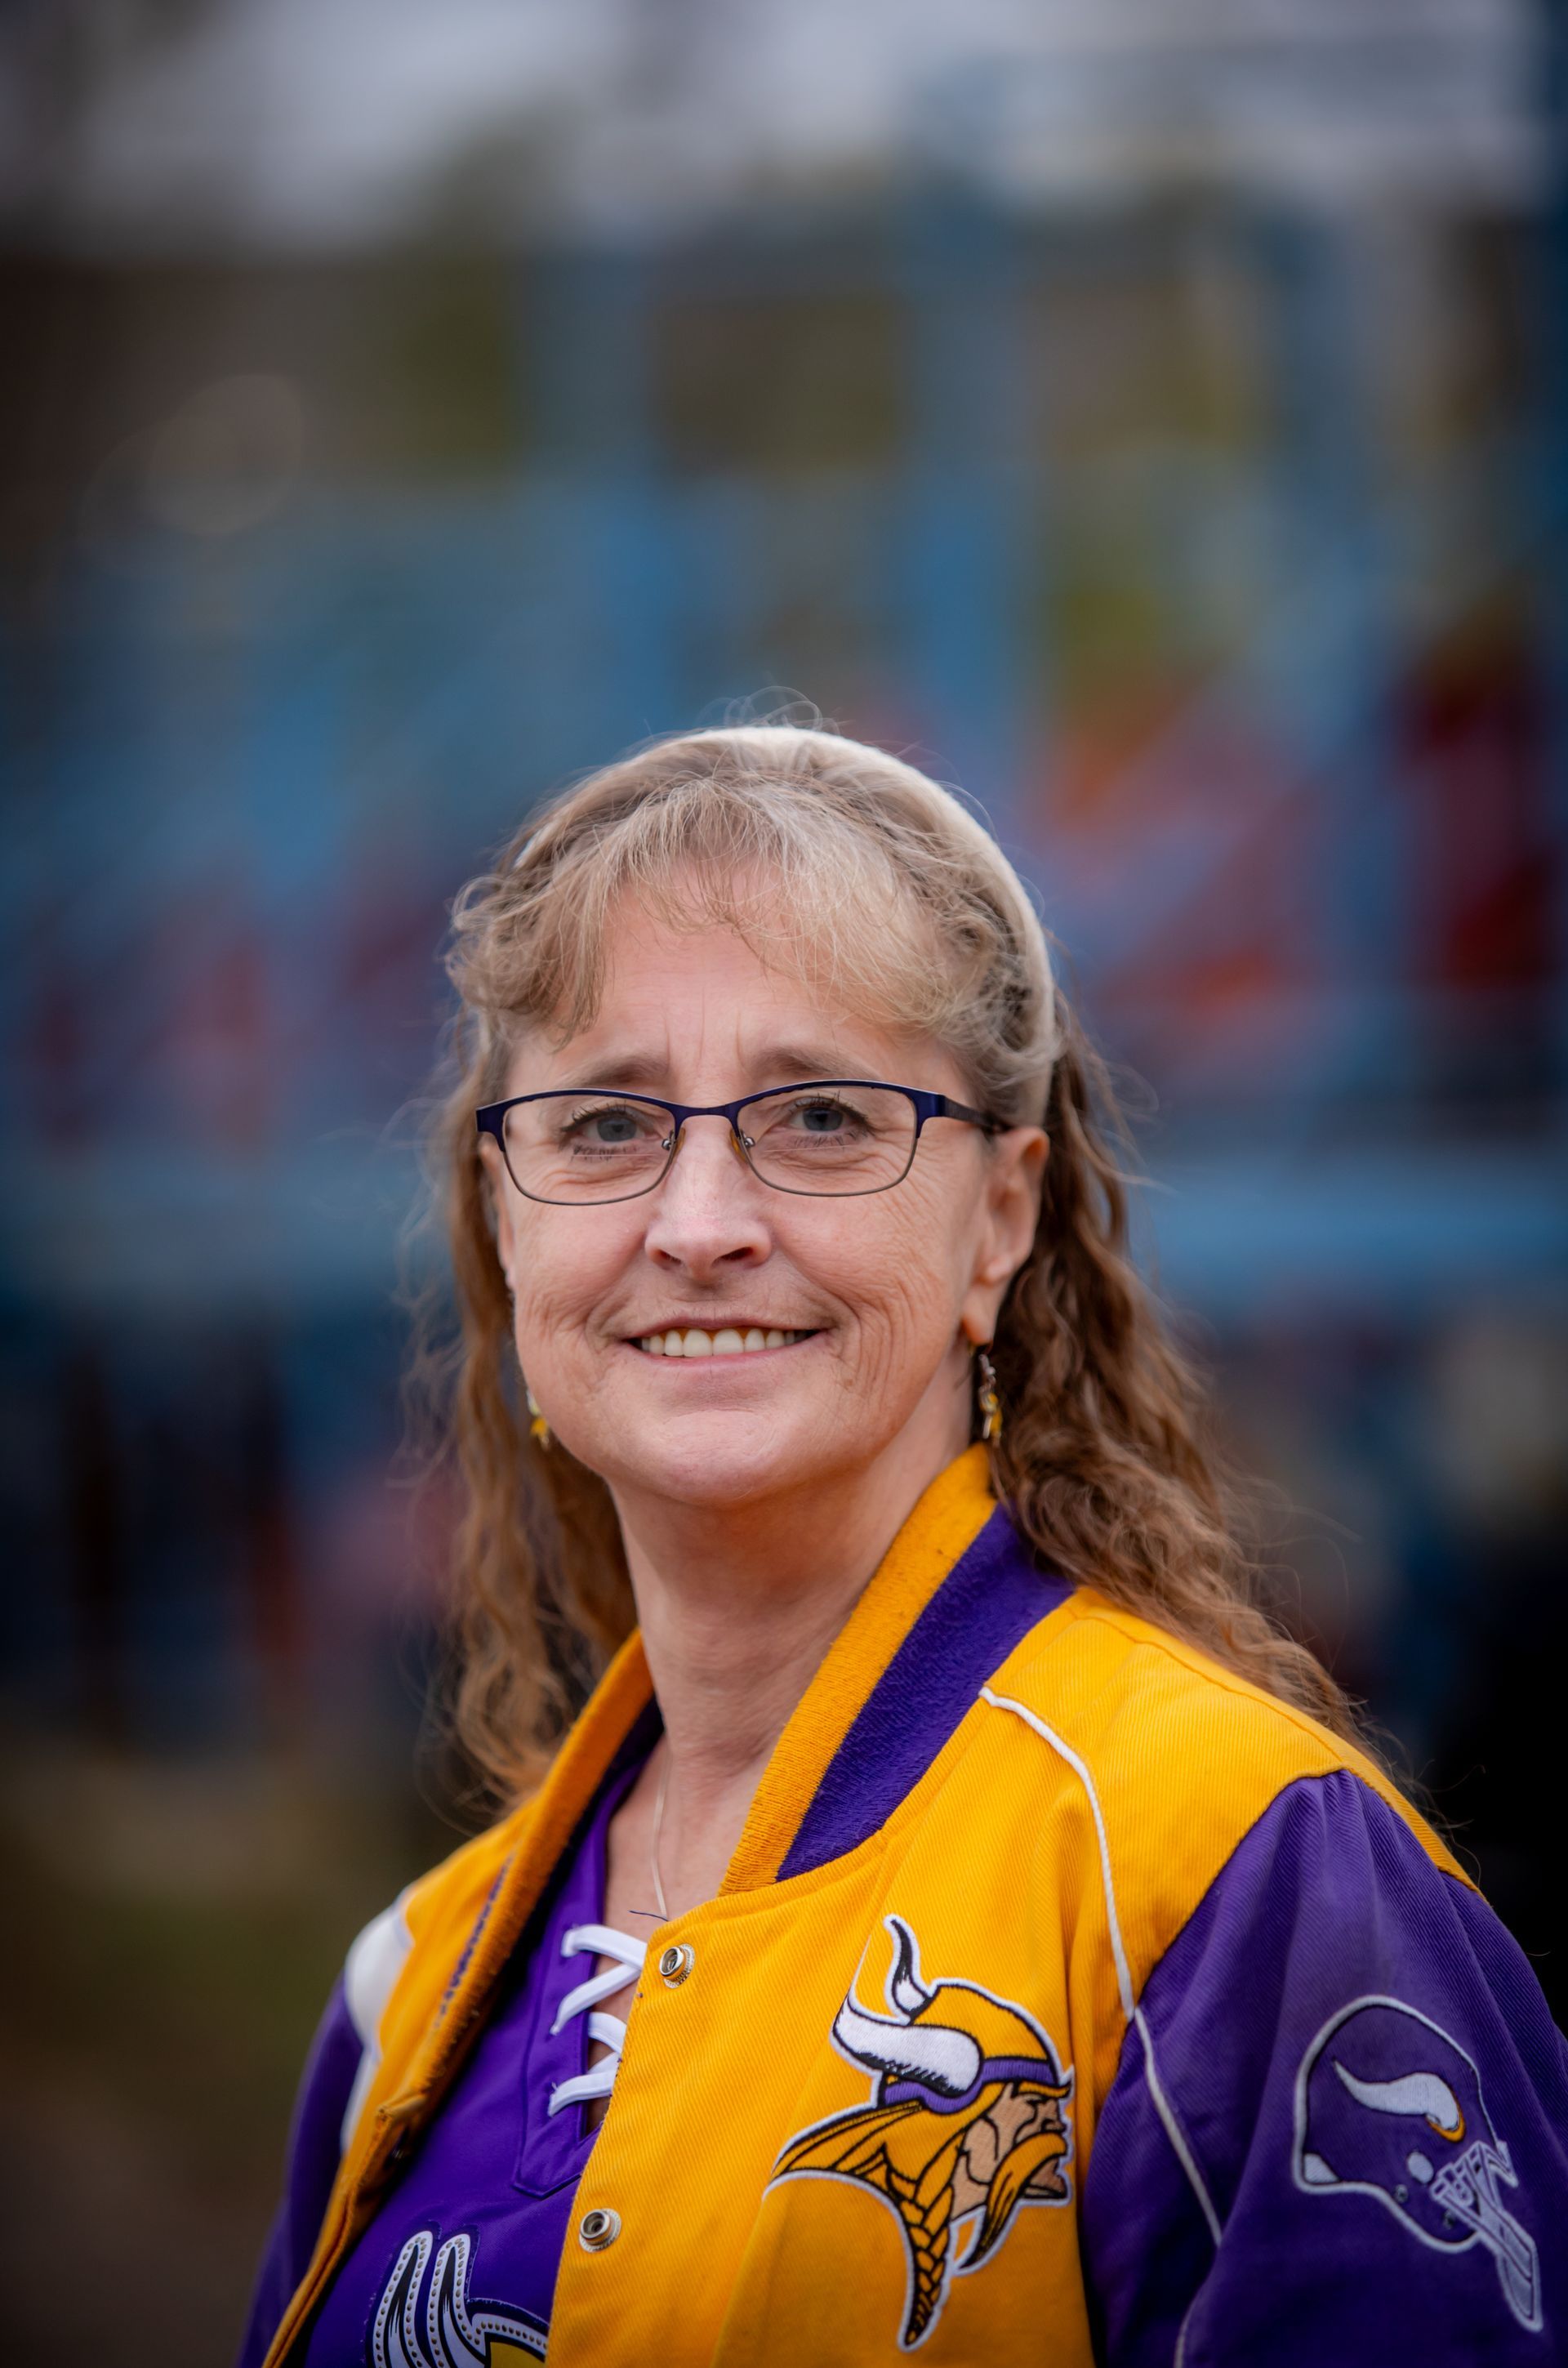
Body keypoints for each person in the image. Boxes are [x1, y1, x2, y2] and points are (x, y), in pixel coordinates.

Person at [238, 725, 1568, 2368]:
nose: (700, 1223)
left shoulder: (1229, 1872)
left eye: (819, 1117)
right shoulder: (410, 1992)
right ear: (508, 1221)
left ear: (1000, 1219)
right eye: (602, 1125)